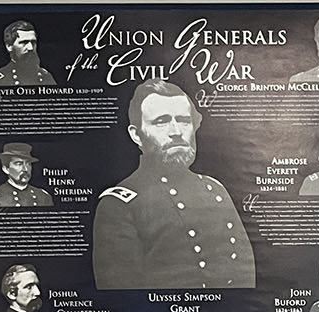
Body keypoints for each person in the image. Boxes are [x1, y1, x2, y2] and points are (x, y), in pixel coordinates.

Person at [92, 80, 255, 290]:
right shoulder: (120, 204)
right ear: (136, 135)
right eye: (161, 121)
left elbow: (245, 276)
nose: (176, 131)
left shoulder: (215, 189)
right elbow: (122, 295)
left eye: (184, 120)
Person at [0, 20, 55, 87]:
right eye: (24, 42)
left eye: (33, 42)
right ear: (9, 46)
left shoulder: (46, 77)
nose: (30, 48)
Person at [0, 143, 53, 208]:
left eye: (28, 163)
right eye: (19, 164)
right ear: (6, 169)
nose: (25, 169)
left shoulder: (43, 197)